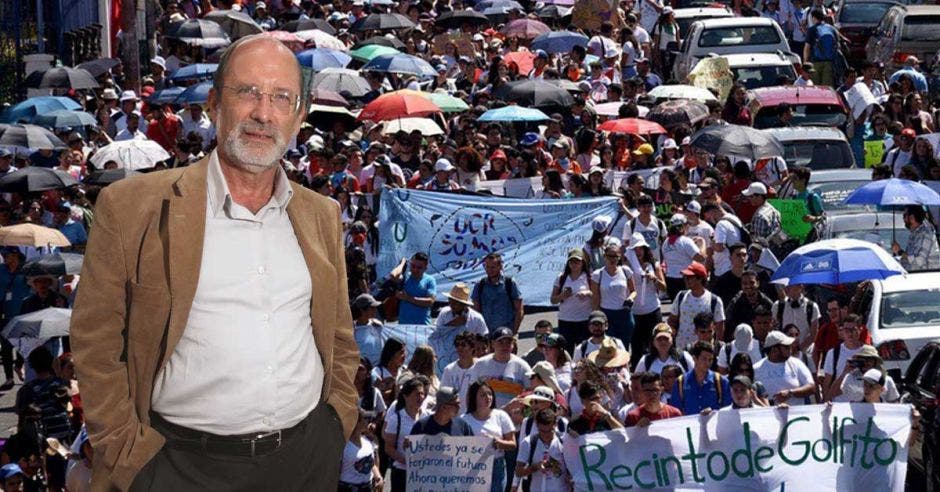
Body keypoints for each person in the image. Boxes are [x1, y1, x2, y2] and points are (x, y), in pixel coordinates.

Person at [71, 34, 360, 490]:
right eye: (248, 92)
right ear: (213, 104)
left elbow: (339, 337)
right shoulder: (132, 208)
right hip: (178, 468)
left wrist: (334, 424)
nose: (264, 113)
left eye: (282, 97)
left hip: (306, 460)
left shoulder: (321, 214)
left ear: (299, 116)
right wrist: (133, 461)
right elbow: (95, 341)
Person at [462, 380, 516, 492]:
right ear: (474, 398)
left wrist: (498, 443)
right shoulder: (464, 420)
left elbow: (512, 444)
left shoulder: (501, 415)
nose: (488, 397)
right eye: (483, 394)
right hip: (472, 466)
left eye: (490, 393)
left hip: (497, 465)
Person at [384, 376, 429, 492]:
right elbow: (388, 448)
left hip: (421, 473)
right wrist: (406, 461)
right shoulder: (396, 419)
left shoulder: (426, 416)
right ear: (406, 396)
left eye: (422, 394)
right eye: (417, 394)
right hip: (401, 473)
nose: (421, 397)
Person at [469, 327, 532, 408]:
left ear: (513, 344)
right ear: (492, 344)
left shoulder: (522, 366)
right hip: (486, 417)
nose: (504, 346)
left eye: (508, 342)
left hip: (512, 417)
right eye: (500, 342)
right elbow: (471, 392)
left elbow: (530, 392)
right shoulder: (480, 364)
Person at [669, 261, 726, 348]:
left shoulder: (714, 300)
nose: (686, 280)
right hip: (682, 348)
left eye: (689, 277)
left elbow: (719, 327)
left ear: (700, 279)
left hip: (704, 351)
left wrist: (717, 348)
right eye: (685, 277)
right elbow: (672, 320)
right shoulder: (681, 296)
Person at [753, 331, 817, 406]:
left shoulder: (797, 363)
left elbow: (812, 387)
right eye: (786, 347)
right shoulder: (756, 369)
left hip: (796, 416)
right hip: (768, 416)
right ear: (774, 349)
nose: (790, 349)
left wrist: (790, 393)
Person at [628, 234, 667, 357]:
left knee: (655, 345)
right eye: (635, 249)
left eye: (640, 248)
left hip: (652, 309)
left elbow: (663, 287)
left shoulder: (653, 264)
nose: (638, 251)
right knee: (637, 347)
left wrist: (654, 279)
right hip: (635, 312)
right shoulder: (627, 266)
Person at [550, 249, 595, 354]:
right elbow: (553, 300)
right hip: (565, 320)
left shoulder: (589, 277)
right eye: (571, 261)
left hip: (583, 320)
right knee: (566, 352)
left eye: (577, 261)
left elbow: (596, 295)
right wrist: (562, 296)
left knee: (583, 352)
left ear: (582, 262)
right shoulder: (561, 277)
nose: (574, 264)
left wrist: (587, 293)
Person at [669, 342, 732, 415]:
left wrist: (714, 412)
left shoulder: (721, 381)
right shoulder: (681, 382)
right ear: (694, 359)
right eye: (704, 359)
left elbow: (728, 409)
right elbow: (675, 411)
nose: (708, 363)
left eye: (710, 359)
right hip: (690, 425)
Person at [514, 408, 568, 492]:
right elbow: (518, 472)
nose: (546, 435)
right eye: (542, 431)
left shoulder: (565, 442)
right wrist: (535, 467)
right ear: (536, 425)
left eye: (550, 431)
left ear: (555, 424)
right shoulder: (528, 443)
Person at [471, 253, 524, 334]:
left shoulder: (509, 283)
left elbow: (519, 310)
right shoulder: (480, 285)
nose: (489, 270)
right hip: (486, 334)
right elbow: (476, 312)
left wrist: (514, 332)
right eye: (487, 267)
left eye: (493, 267)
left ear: (500, 267)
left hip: (506, 334)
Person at [828, 345, 900, 403]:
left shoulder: (886, 380)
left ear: (875, 362)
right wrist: (844, 372)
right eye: (862, 360)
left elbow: (895, 403)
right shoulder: (850, 377)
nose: (866, 363)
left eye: (869, 360)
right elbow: (832, 394)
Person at [820, 314, 866, 400]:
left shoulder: (868, 352)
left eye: (853, 330)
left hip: (863, 404)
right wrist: (826, 402)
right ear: (842, 332)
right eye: (846, 330)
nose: (850, 333)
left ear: (860, 329)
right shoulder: (833, 354)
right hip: (840, 405)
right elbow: (827, 383)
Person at [662, 214, 707, 299]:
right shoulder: (686, 241)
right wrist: (702, 242)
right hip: (685, 279)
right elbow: (701, 258)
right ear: (683, 226)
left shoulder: (666, 242)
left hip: (670, 279)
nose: (688, 227)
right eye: (687, 224)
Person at [339, 408, 383, 492]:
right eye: (365, 419)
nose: (368, 421)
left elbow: (371, 463)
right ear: (356, 422)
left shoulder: (368, 442)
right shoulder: (344, 446)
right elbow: (337, 471)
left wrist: (378, 477)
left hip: (367, 487)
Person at [772, 284, 821, 351]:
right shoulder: (778, 306)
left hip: (805, 351)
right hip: (784, 351)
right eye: (785, 285)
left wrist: (799, 349)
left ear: (800, 286)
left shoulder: (812, 307)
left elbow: (814, 334)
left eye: (790, 285)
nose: (786, 287)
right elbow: (774, 329)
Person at [725, 270, 775, 336]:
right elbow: (727, 322)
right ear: (741, 285)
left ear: (758, 283)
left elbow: (774, 322)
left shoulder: (766, 303)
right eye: (745, 283)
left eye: (751, 282)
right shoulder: (735, 303)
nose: (748, 286)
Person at [394, 252, 437, 325]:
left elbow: (430, 301)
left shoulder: (430, 280)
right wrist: (402, 264)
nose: (415, 269)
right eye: (413, 266)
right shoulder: (404, 278)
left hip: (422, 326)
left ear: (425, 268)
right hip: (403, 326)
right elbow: (393, 275)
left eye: (419, 267)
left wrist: (407, 298)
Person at [892, 205, 939, 271]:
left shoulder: (926, 234)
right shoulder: (914, 234)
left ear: (912, 218)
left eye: (904, 216)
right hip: (915, 275)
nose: (903, 219)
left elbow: (919, 261)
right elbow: (908, 258)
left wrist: (900, 252)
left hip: (927, 277)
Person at [441, 331, 477, 414]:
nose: (459, 348)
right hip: (454, 416)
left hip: (474, 416)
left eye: (463, 345)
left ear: (472, 347)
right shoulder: (449, 370)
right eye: (457, 345)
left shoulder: (480, 368)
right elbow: (443, 395)